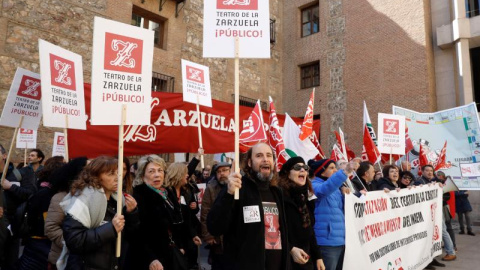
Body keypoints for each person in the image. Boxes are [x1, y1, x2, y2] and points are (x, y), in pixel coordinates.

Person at [207, 142, 290, 270]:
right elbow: (215, 227)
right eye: (259, 155)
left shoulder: (277, 192)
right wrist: (228, 193)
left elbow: (282, 233)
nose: (265, 159)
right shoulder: (238, 188)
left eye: (269, 155)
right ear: (250, 163)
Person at [61, 156, 139, 270]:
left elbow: (130, 236)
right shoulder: (83, 200)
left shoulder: (118, 201)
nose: (118, 178)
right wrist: (111, 229)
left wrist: (131, 213)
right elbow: (74, 241)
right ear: (96, 176)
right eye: (111, 174)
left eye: (119, 173)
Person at [126, 155, 186, 270]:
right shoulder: (139, 196)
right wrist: (150, 258)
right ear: (143, 176)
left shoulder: (166, 192)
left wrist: (180, 244)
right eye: (151, 171)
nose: (157, 174)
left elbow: (176, 220)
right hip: (150, 258)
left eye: (160, 170)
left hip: (169, 252)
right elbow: (136, 233)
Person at [308, 158, 358, 270]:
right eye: (331, 168)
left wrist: (347, 196)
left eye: (335, 167)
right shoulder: (313, 185)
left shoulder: (336, 189)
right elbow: (323, 190)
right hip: (326, 242)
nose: (335, 170)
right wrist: (344, 173)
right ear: (321, 171)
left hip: (340, 241)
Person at [277, 157, 325, 270]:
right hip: (284, 258)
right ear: (288, 173)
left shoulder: (307, 197)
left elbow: (310, 230)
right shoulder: (279, 196)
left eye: (305, 168)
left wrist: (318, 257)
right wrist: (291, 248)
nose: (303, 170)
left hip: (305, 258)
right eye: (297, 167)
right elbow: (275, 230)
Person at [18, 157, 65, 270]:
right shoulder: (47, 194)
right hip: (40, 245)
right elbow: (47, 225)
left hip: (40, 244)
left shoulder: (48, 191)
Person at [45, 157, 88, 270]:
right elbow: (51, 228)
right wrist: (73, 243)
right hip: (62, 259)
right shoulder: (60, 198)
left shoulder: (92, 197)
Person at [0, 143, 36, 270]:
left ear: (4, 155)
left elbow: (31, 195)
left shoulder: (19, 175)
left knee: (10, 262)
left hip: (12, 227)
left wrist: (11, 187)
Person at [164, 162, 202, 269]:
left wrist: (193, 234)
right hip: (173, 242)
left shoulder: (185, 190)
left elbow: (187, 216)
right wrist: (178, 245)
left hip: (185, 238)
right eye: (185, 172)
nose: (187, 175)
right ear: (178, 174)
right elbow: (169, 222)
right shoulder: (166, 192)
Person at [200, 162, 231, 269]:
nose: (221, 174)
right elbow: (205, 213)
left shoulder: (240, 186)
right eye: (219, 171)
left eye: (225, 170)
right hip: (218, 238)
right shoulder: (211, 188)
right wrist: (208, 235)